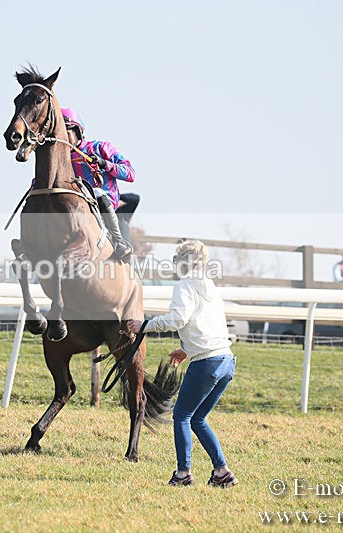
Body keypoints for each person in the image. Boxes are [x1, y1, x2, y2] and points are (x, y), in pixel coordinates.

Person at [127, 240, 238, 488]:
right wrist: (186, 349)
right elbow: (207, 324)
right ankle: (222, 472)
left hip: (207, 363)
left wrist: (143, 326)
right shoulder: (210, 286)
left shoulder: (185, 285)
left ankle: (183, 473)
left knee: (182, 416)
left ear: (183, 263)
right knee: (198, 418)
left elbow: (178, 319)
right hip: (226, 360)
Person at [61, 108, 135, 262]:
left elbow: (130, 174)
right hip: (76, 205)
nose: (61, 138)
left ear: (77, 131)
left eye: (65, 132)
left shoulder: (101, 147)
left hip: (103, 200)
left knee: (96, 192)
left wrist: (105, 164)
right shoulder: (61, 157)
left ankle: (118, 240)